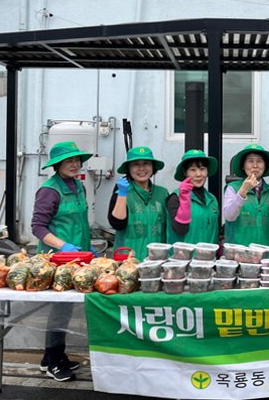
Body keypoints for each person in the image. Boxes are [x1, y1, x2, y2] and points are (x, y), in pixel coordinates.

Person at [31, 141, 93, 382]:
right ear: (57, 165)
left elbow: (80, 221)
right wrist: (62, 246)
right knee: (59, 309)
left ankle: (51, 357)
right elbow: (38, 227)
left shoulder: (78, 186)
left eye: (77, 160)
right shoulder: (49, 190)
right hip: (56, 260)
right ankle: (53, 360)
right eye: (69, 161)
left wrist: (88, 248)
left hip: (78, 258)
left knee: (65, 309)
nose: (75, 164)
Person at [107, 146, 168, 259]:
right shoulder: (121, 192)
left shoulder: (162, 193)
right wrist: (122, 194)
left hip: (156, 259)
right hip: (127, 260)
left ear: (153, 167)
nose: (141, 168)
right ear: (129, 169)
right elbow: (116, 224)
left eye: (146, 163)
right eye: (136, 164)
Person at [223, 144, 269, 246]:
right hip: (239, 251)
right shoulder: (232, 188)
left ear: (265, 166)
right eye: (250, 161)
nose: (255, 165)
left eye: (259, 161)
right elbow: (229, 216)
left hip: (267, 252)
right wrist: (243, 191)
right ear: (243, 166)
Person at [166, 149, 220, 244]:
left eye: (202, 169)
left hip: (208, 253)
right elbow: (180, 230)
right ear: (185, 172)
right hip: (183, 253)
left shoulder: (212, 199)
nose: (198, 174)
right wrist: (184, 199)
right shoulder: (175, 197)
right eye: (193, 170)